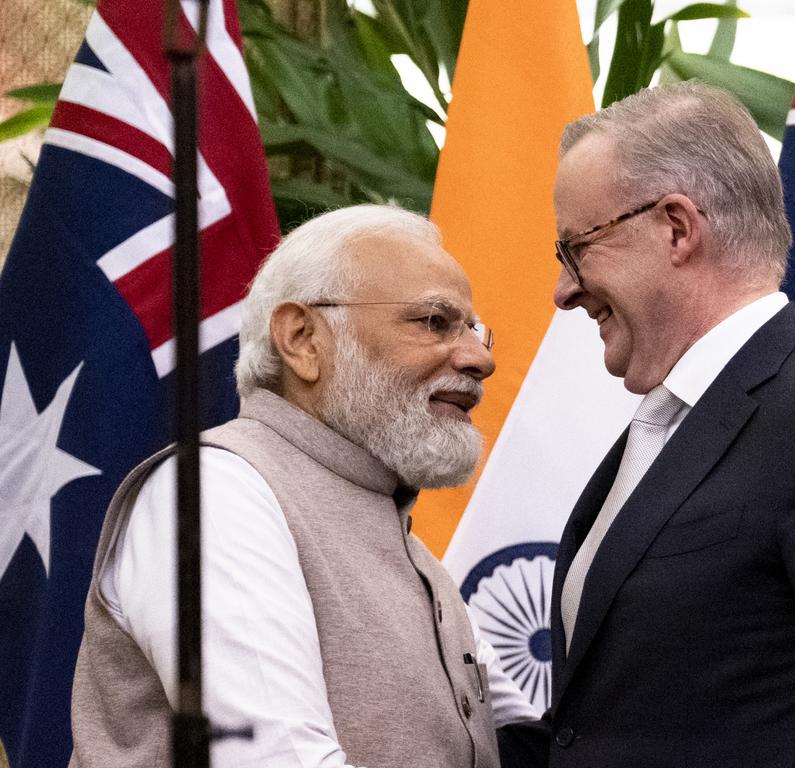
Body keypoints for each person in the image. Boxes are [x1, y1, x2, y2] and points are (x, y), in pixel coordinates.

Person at [498, 83, 795, 768]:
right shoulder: (661, 429)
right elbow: (604, 729)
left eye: (576, 248)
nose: (564, 289)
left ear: (677, 227)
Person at [69, 205, 535, 767]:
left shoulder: (408, 550)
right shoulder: (213, 493)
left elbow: (522, 740)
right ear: (302, 339)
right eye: (435, 322)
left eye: (474, 330)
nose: (479, 358)